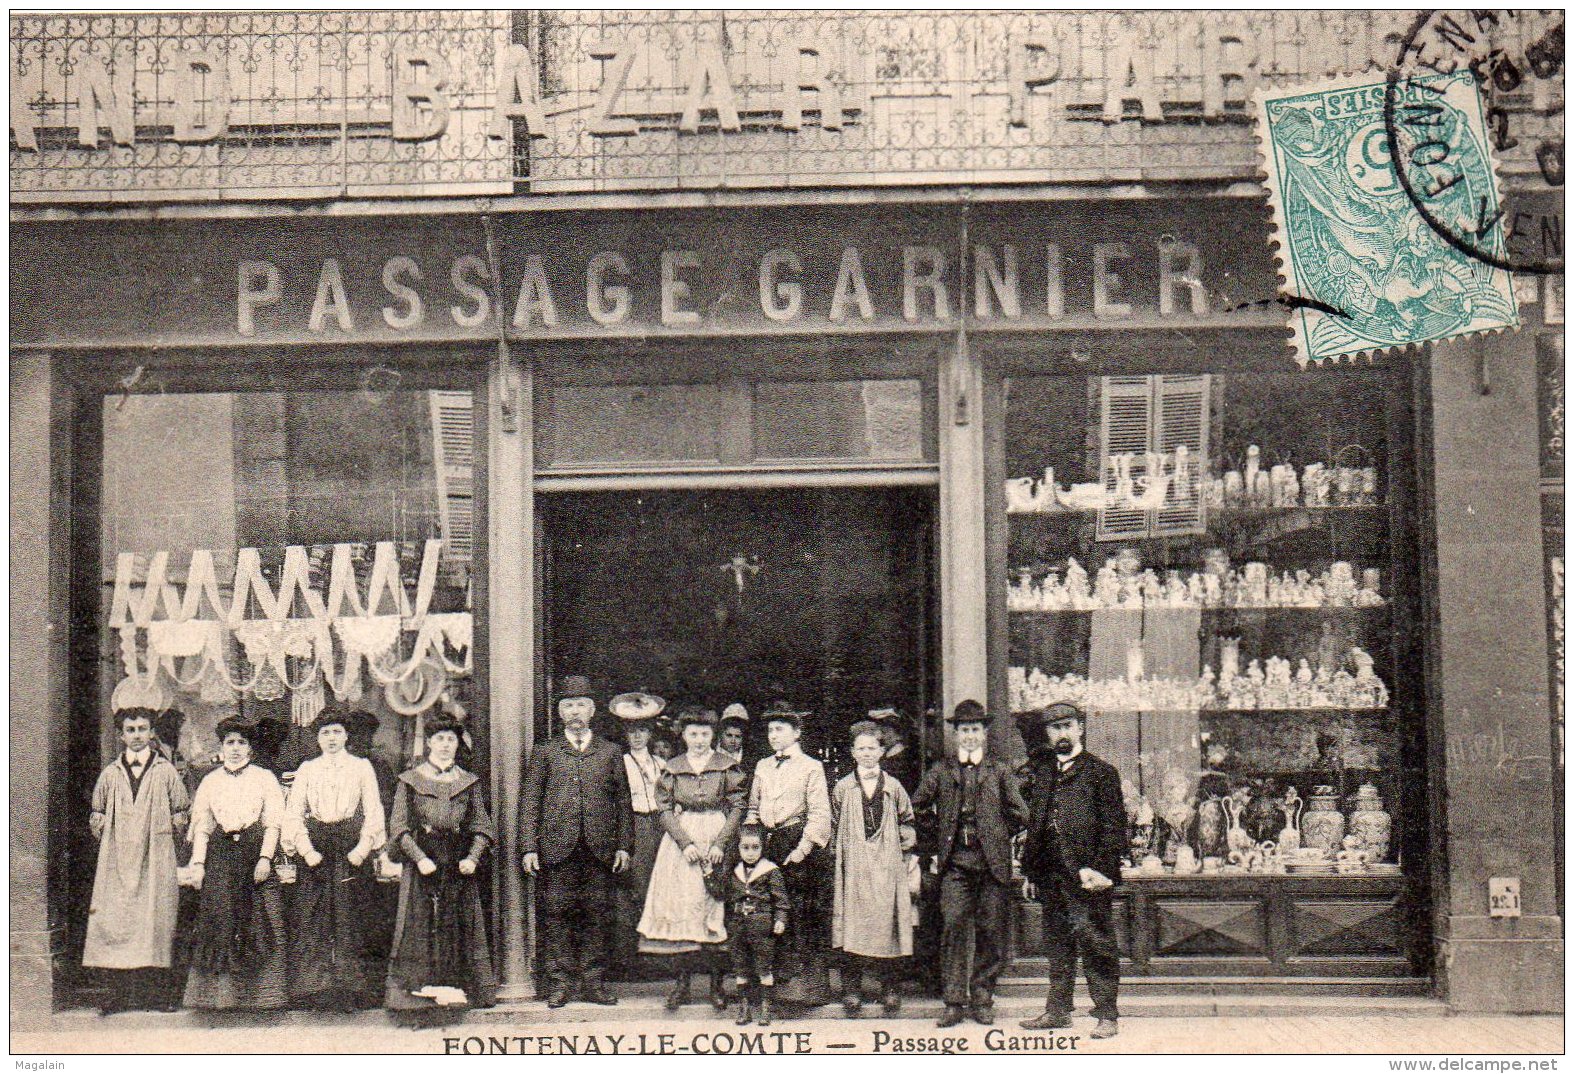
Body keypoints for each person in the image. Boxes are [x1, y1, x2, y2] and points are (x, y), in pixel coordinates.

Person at [910, 699, 1029, 1028]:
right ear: (956, 733)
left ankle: (982, 997)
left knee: (990, 929)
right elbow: (918, 806)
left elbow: (1021, 813)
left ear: (984, 733)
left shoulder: (999, 770)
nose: (970, 736)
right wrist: (936, 843)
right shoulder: (941, 770)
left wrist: (997, 834)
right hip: (956, 864)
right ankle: (953, 1001)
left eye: (976, 729)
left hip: (992, 863)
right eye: (965, 730)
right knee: (953, 926)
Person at [521, 677, 635, 1008]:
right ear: (559, 712)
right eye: (569, 705)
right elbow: (530, 801)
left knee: (597, 914)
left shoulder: (610, 751)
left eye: (582, 705)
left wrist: (623, 845)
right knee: (557, 914)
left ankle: (593, 981)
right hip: (557, 849)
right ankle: (560, 983)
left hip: (600, 849)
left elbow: (622, 802)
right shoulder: (544, 752)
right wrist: (529, 846)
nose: (575, 712)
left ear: (593, 711)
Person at [1017, 702, 1126, 1040]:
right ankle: (1058, 1010)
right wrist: (1030, 873)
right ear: (1048, 734)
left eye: (1067, 725)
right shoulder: (1043, 771)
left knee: (1096, 942)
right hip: (1050, 874)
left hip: (1088, 876)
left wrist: (1101, 869)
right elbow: (1035, 824)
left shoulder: (1101, 772)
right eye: (1055, 728)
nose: (1062, 733)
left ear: (1080, 728)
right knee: (1058, 945)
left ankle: (1107, 1014)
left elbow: (1114, 827)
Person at [384, 716, 499, 1011]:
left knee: (459, 923)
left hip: (458, 858)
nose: (446, 745)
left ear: (457, 743)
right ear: (429, 743)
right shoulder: (410, 779)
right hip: (423, 858)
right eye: (440, 739)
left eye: (451, 739)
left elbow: (482, 825)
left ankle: (458, 990)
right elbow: (398, 826)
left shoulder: (468, 781)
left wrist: (473, 857)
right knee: (421, 922)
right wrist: (419, 858)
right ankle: (417, 996)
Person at [84, 707, 192, 1014]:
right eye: (130, 730)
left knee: (155, 920)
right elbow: (98, 817)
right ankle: (117, 996)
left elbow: (181, 814)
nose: (136, 736)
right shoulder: (110, 774)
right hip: (117, 860)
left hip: (156, 857)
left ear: (152, 733)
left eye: (142, 729)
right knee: (118, 918)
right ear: (120, 735)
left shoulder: (166, 772)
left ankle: (157, 996)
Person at [638, 707, 746, 1011]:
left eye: (705, 734)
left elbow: (738, 806)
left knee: (714, 911)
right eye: (693, 734)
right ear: (683, 736)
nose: (699, 740)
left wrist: (721, 843)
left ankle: (716, 986)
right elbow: (664, 809)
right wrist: (684, 842)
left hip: (715, 833)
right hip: (681, 842)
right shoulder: (672, 768)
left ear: (714, 736)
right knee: (684, 910)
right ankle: (682, 985)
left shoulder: (726, 766)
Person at [282, 706, 387, 1010]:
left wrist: (363, 848)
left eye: (337, 732)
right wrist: (306, 850)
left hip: (350, 846)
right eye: (325, 732)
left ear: (346, 735)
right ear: (317, 737)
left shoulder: (361, 767)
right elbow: (294, 813)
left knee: (350, 915)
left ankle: (352, 991)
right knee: (314, 917)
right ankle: (315, 990)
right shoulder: (308, 769)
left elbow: (374, 810)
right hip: (316, 847)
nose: (331, 738)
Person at [182, 716, 290, 1010]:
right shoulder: (210, 781)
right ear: (222, 746)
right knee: (221, 920)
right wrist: (199, 864)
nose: (235, 748)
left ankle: (262, 998)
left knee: (260, 919)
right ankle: (222, 998)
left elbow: (273, 824)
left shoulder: (264, 778)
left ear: (251, 748)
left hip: (255, 854)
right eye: (230, 742)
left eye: (242, 743)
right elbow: (203, 826)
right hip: (221, 857)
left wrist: (266, 857)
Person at [746, 701, 833, 1006]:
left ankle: (807, 988)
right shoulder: (763, 765)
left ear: (796, 733)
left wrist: (803, 848)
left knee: (801, 913)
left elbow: (821, 813)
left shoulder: (811, 766)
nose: (773, 735)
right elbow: (753, 808)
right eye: (770, 729)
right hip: (769, 844)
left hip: (797, 844)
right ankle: (774, 985)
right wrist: (752, 839)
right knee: (769, 911)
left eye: (780, 729)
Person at [830, 720, 916, 1017]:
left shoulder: (893, 787)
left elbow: (908, 820)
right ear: (853, 752)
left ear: (882, 751)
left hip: (887, 867)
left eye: (872, 748)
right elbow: (832, 824)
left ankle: (890, 989)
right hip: (854, 866)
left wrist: (907, 839)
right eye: (860, 749)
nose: (866, 754)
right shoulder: (843, 787)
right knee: (852, 924)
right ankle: (851, 989)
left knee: (887, 923)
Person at [613, 693, 669, 981]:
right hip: (633, 826)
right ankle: (628, 960)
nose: (637, 736)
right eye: (632, 731)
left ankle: (656, 959)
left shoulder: (661, 764)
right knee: (631, 890)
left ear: (649, 733)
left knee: (656, 890)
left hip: (658, 827)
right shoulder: (619, 762)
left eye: (642, 730)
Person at [724, 824, 789, 1027]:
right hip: (738, 926)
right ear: (738, 848)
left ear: (763, 848)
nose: (750, 853)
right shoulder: (734, 872)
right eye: (745, 848)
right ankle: (744, 1009)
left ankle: (765, 1008)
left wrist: (780, 919)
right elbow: (723, 894)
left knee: (763, 966)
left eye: (755, 847)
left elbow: (781, 901)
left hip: (761, 925)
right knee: (741, 966)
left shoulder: (770, 871)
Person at [718, 704, 749, 769]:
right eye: (729, 735)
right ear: (721, 734)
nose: (733, 741)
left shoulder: (749, 760)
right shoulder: (709, 755)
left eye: (737, 737)